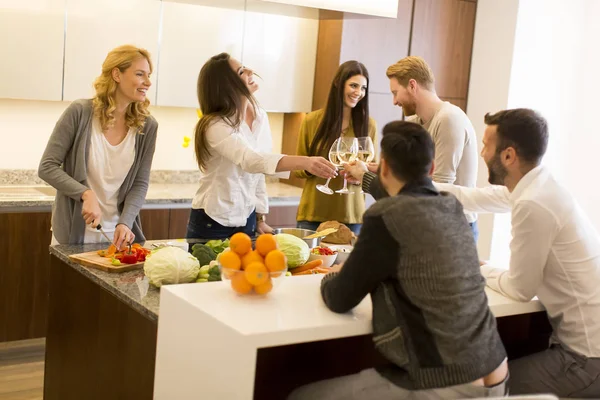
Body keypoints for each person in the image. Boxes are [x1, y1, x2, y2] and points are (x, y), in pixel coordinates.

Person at [347, 109, 600, 398]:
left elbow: (519, 289)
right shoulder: (538, 186)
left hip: (584, 361)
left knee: (482, 389)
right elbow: (468, 196)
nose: (481, 152)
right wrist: (395, 176)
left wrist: (477, 266)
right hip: (579, 348)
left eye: (486, 145)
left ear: (508, 156)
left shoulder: (533, 203)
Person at [288, 121, 508, 400]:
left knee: (301, 395)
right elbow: (411, 198)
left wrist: (336, 273)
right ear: (430, 169)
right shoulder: (450, 207)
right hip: (497, 372)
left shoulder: (385, 216)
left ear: (386, 168)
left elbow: (340, 298)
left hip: (446, 382)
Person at [186, 53, 337, 240]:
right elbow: (251, 160)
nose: (250, 71)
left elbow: (259, 171)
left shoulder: (259, 116)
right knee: (209, 270)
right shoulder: (214, 125)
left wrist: (260, 216)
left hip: (247, 219)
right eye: (241, 71)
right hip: (213, 221)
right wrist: (305, 162)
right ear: (225, 84)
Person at [39, 45, 158, 249]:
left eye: (148, 75)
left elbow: (140, 182)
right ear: (117, 74)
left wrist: (125, 222)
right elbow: (47, 167)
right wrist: (85, 194)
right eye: (140, 74)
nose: (147, 82)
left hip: (119, 236)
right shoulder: (80, 113)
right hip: (73, 234)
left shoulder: (147, 126)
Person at [386, 56, 479, 239]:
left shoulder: (448, 119)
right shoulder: (415, 121)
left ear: (412, 85)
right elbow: (410, 173)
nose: (394, 101)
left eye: (395, 93)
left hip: (454, 227)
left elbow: (440, 187)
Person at [294, 61, 376, 235]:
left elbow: (370, 168)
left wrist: (359, 176)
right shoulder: (311, 121)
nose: (358, 92)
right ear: (338, 83)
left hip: (351, 215)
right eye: (353, 85)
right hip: (313, 213)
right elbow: (298, 168)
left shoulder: (369, 125)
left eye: (363, 88)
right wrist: (313, 168)